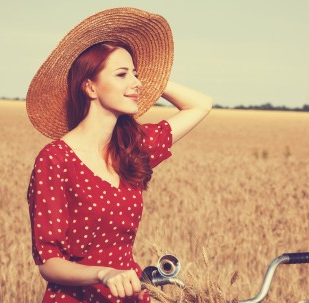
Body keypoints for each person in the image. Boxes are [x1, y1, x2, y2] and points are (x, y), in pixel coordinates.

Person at [25, 8, 212, 303]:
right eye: (122, 74)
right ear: (90, 86)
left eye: (135, 73)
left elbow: (200, 105)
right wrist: (103, 274)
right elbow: (49, 263)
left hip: (131, 296)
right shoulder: (55, 159)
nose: (136, 82)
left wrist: (147, 79)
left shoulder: (132, 147)